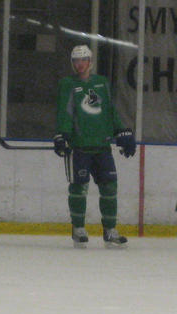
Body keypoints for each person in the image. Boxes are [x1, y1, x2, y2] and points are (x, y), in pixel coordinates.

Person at [54, 45, 135, 248]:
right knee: (78, 188)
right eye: (75, 60)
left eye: (83, 60)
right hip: (79, 147)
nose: (79, 64)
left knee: (109, 187)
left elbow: (109, 110)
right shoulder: (67, 84)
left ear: (90, 61)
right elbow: (65, 112)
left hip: (102, 146)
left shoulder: (101, 83)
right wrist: (61, 135)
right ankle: (78, 228)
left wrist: (122, 131)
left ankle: (110, 230)